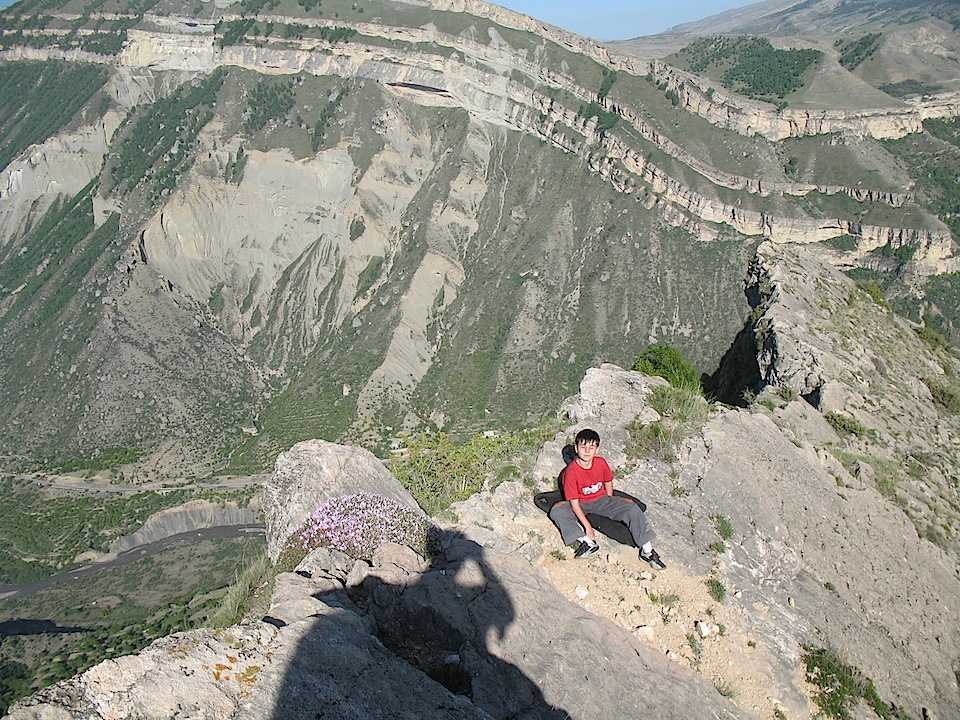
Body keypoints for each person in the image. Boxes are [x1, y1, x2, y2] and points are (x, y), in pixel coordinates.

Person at [548, 428, 666, 569]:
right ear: (576, 448)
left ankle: (647, 551)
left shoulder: (600, 463)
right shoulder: (571, 473)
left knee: (633, 508)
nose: (587, 451)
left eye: (591, 447)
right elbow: (574, 503)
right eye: (583, 447)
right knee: (557, 511)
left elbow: (608, 480)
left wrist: (611, 500)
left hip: (602, 500)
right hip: (581, 504)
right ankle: (587, 543)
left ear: (597, 449)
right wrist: (587, 527)